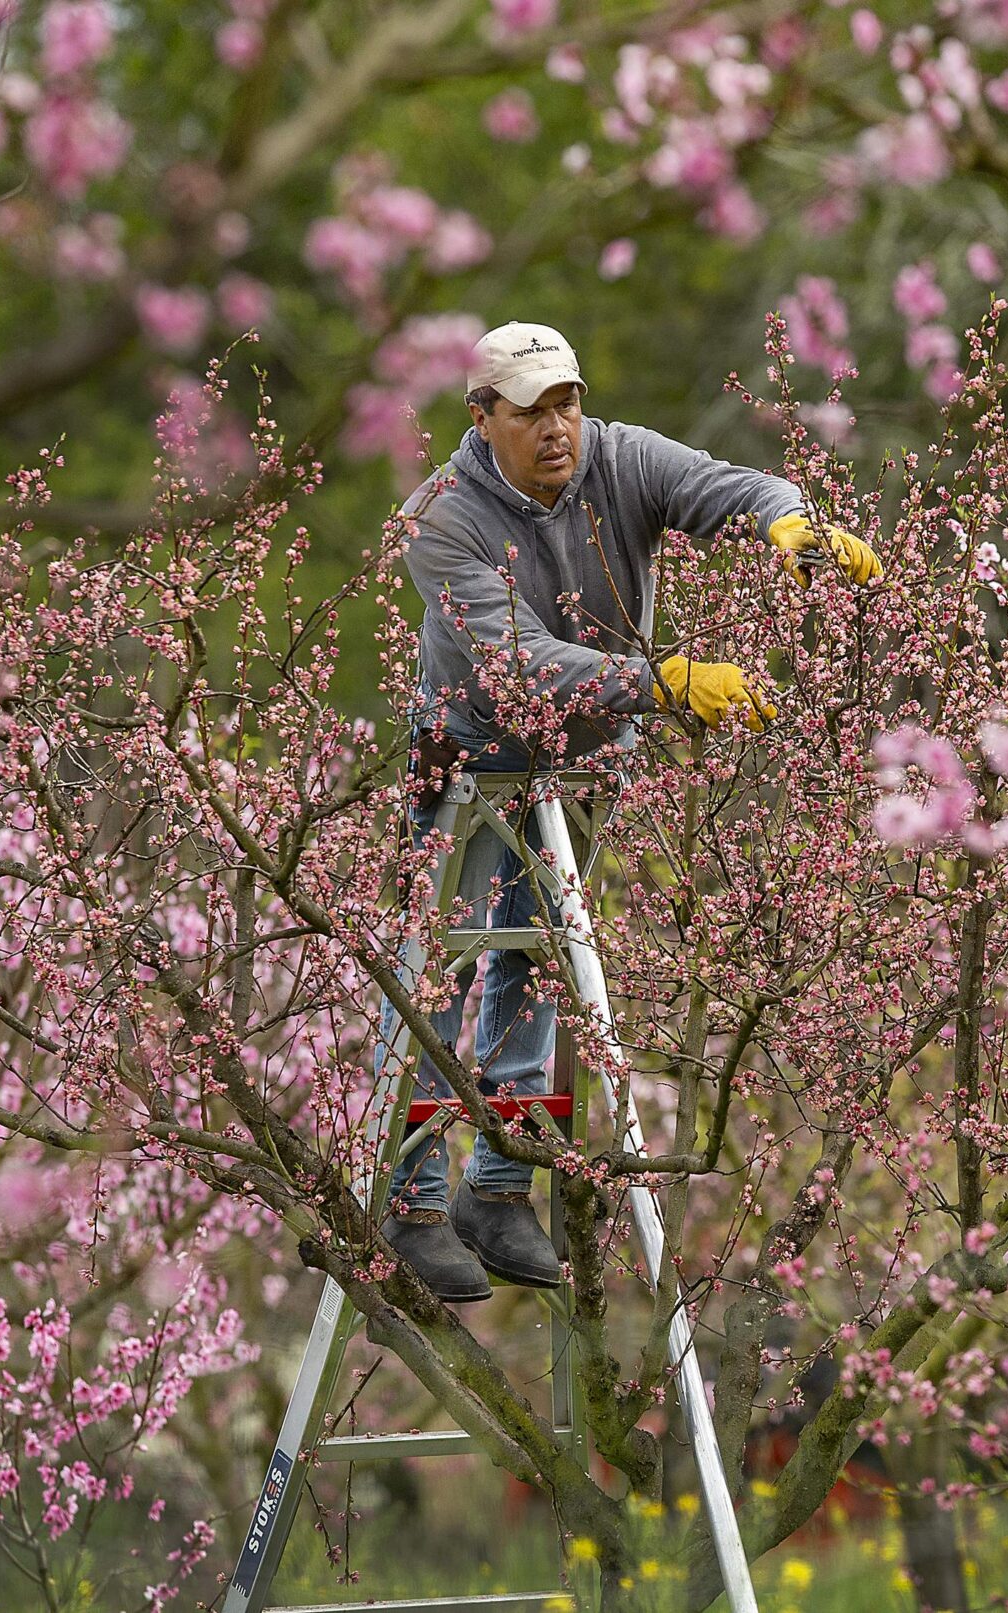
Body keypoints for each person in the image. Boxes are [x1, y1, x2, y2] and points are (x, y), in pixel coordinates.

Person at [380, 321, 881, 1301]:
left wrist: (786, 517)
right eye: (532, 411)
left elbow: (727, 484)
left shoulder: (620, 457)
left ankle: (498, 1183)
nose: (558, 426)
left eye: (567, 401)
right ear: (483, 418)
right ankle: (415, 1196)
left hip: (582, 762)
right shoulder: (440, 519)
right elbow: (513, 659)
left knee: (539, 968)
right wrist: (667, 679)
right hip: (470, 756)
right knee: (441, 972)